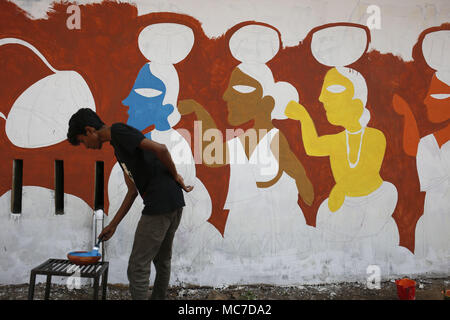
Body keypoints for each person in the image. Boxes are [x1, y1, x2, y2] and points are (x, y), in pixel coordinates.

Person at [66, 108, 193, 300]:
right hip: (173, 201)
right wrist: (113, 225)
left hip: (159, 204)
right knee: (162, 260)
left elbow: (161, 149)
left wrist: (176, 175)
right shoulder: (119, 148)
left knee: (137, 266)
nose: (87, 146)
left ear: (90, 130)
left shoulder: (119, 131)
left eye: (83, 141)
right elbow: (132, 191)